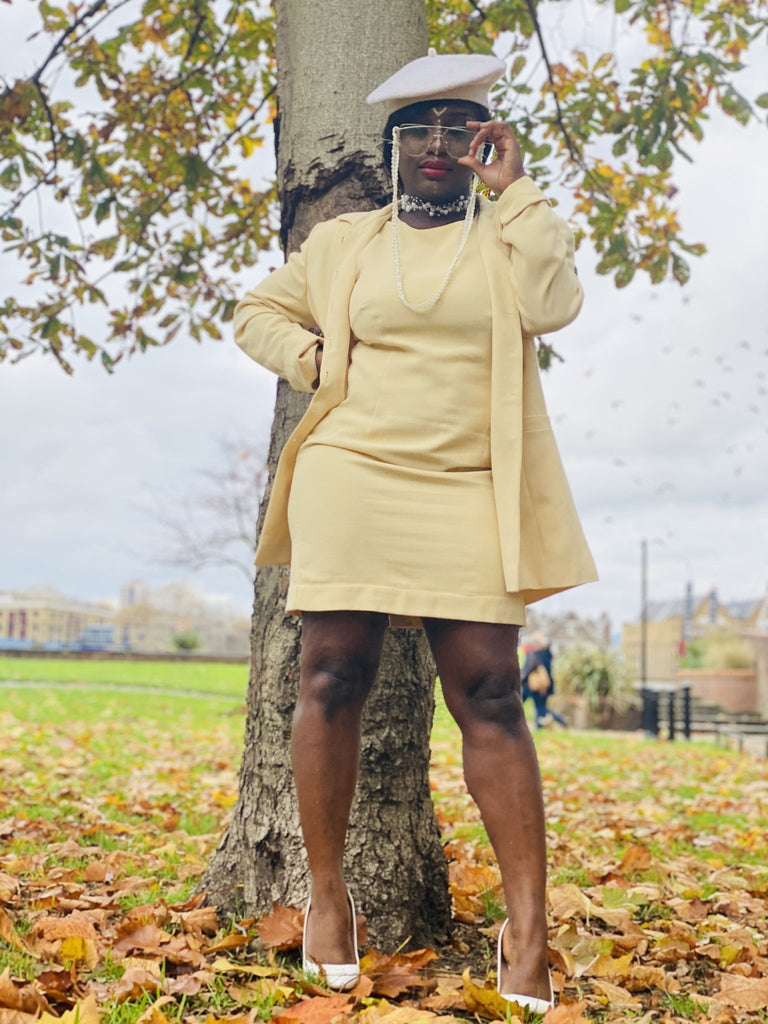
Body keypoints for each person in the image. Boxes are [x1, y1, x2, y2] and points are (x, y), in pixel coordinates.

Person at [234, 49, 597, 1011]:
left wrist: (517, 193)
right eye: (418, 130)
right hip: (353, 473)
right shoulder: (347, 242)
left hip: (471, 485)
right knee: (330, 676)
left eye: (458, 129)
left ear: (484, 141)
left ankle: (527, 929)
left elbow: (556, 306)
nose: (438, 144)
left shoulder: (510, 235)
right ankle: (327, 898)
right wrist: (312, 357)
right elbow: (254, 311)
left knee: (491, 695)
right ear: (393, 146)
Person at [521, 631, 567, 729]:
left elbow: (528, 668)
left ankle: (558, 720)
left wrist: (521, 679)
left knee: (539, 707)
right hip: (544, 686)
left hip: (534, 685)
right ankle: (543, 725)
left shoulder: (535, 654)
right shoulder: (547, 654)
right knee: (540, 707)